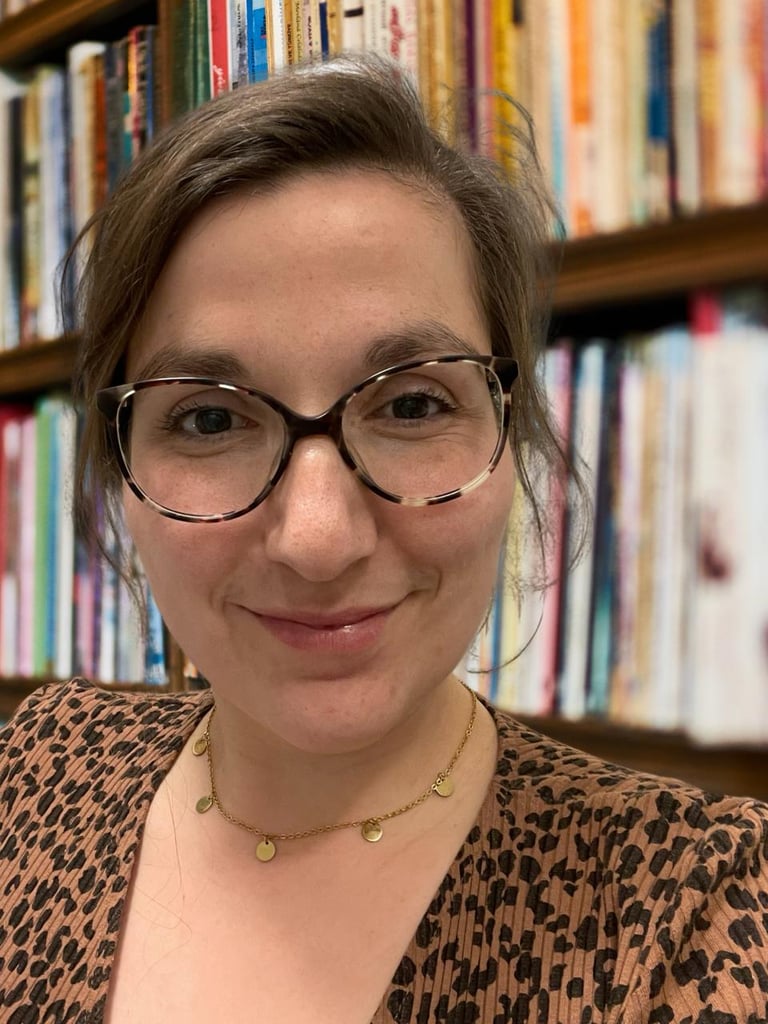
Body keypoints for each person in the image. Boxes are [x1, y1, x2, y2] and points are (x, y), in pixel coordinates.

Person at [1, 55, 766, 1024]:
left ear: (513, 433)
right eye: (209, 419)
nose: (317, 539)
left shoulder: (697, 908)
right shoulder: (39, 768)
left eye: (411, 404)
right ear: (117, 468)